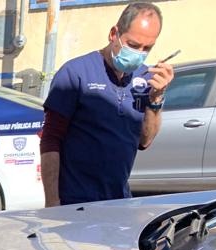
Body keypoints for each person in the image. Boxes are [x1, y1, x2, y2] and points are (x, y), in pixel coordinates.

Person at [40, 1, 173, 206]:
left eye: (147, 48)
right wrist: (52, 201)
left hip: (118, 200)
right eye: (133, 45)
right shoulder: (76, 73)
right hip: (74, 202)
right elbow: (50, 139)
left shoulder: (145, 78)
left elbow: (144, 141)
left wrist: (156, 100)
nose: (139, 53)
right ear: (114, 34)